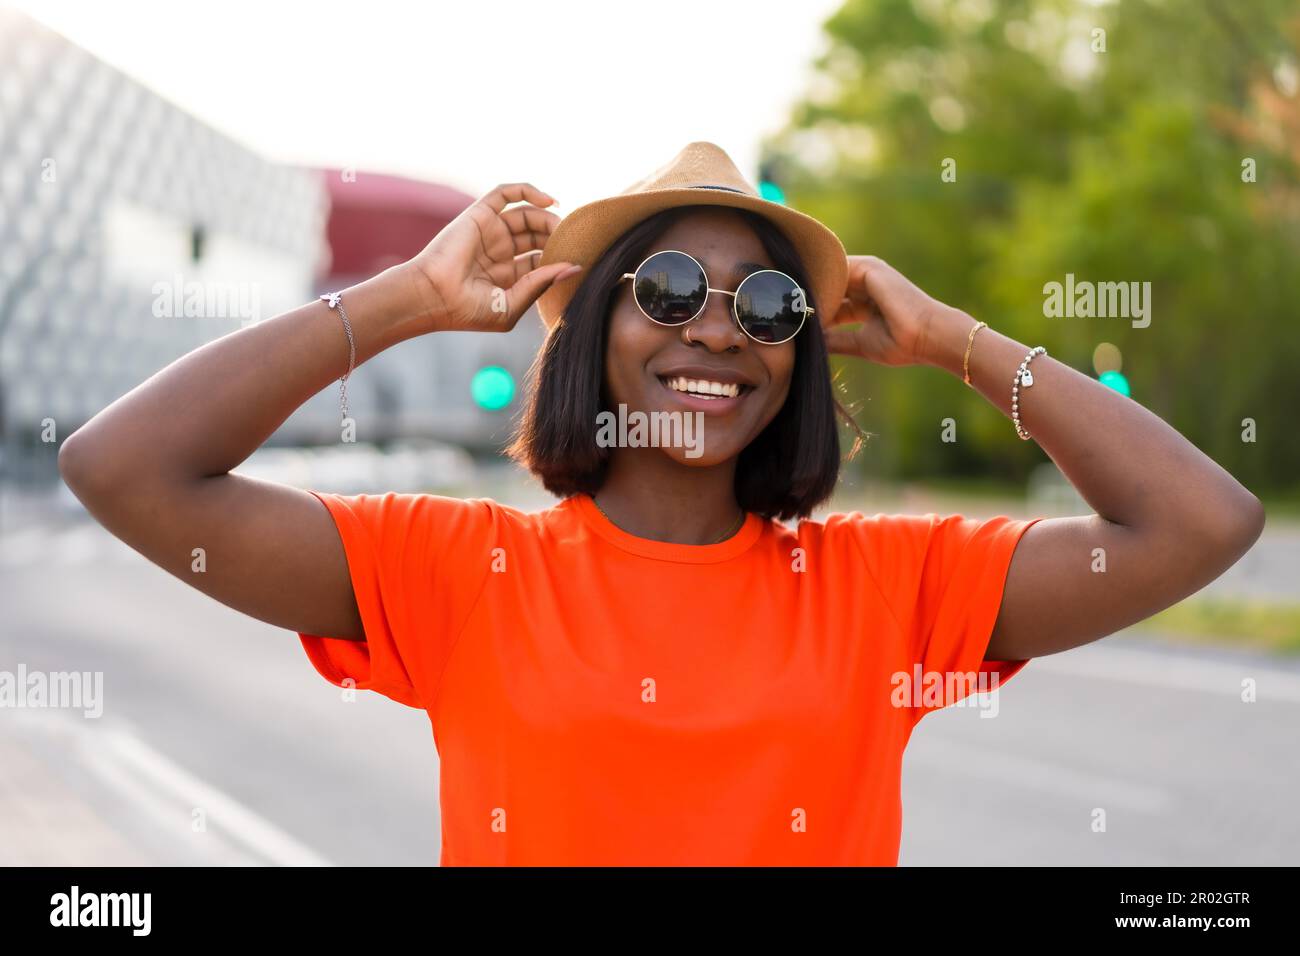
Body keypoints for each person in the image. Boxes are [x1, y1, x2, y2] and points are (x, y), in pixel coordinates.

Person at [59, 141, 1264, 866]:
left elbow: (1199, 524)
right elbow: (126, 469)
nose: (716, 331)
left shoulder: (892, 590)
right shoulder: (455, 567)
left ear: (799, 353)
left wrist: (957, 341)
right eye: (671, 287)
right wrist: (411, 298)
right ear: (595, 328)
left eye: (768, 307)